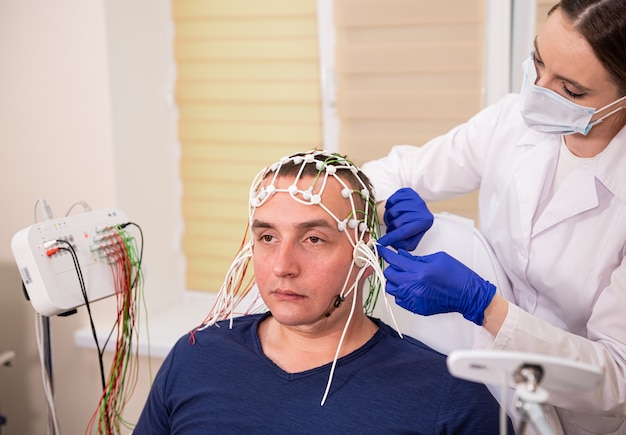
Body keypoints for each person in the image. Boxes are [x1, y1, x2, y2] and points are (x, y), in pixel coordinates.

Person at [361, 1, 626, 434]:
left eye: (571, 91)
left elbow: (616, 377)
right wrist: (391, 200)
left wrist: (485, 307)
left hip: (579, 416)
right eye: (538, 61)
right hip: (483, 384)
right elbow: (392, 170)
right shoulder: (511, 121)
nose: (538, 90)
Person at [133, 150, 509, 434]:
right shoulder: (196, 357)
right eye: (267, 237)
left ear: (364, 249)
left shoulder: (448, 397)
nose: (282, 266)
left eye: (313, 239)